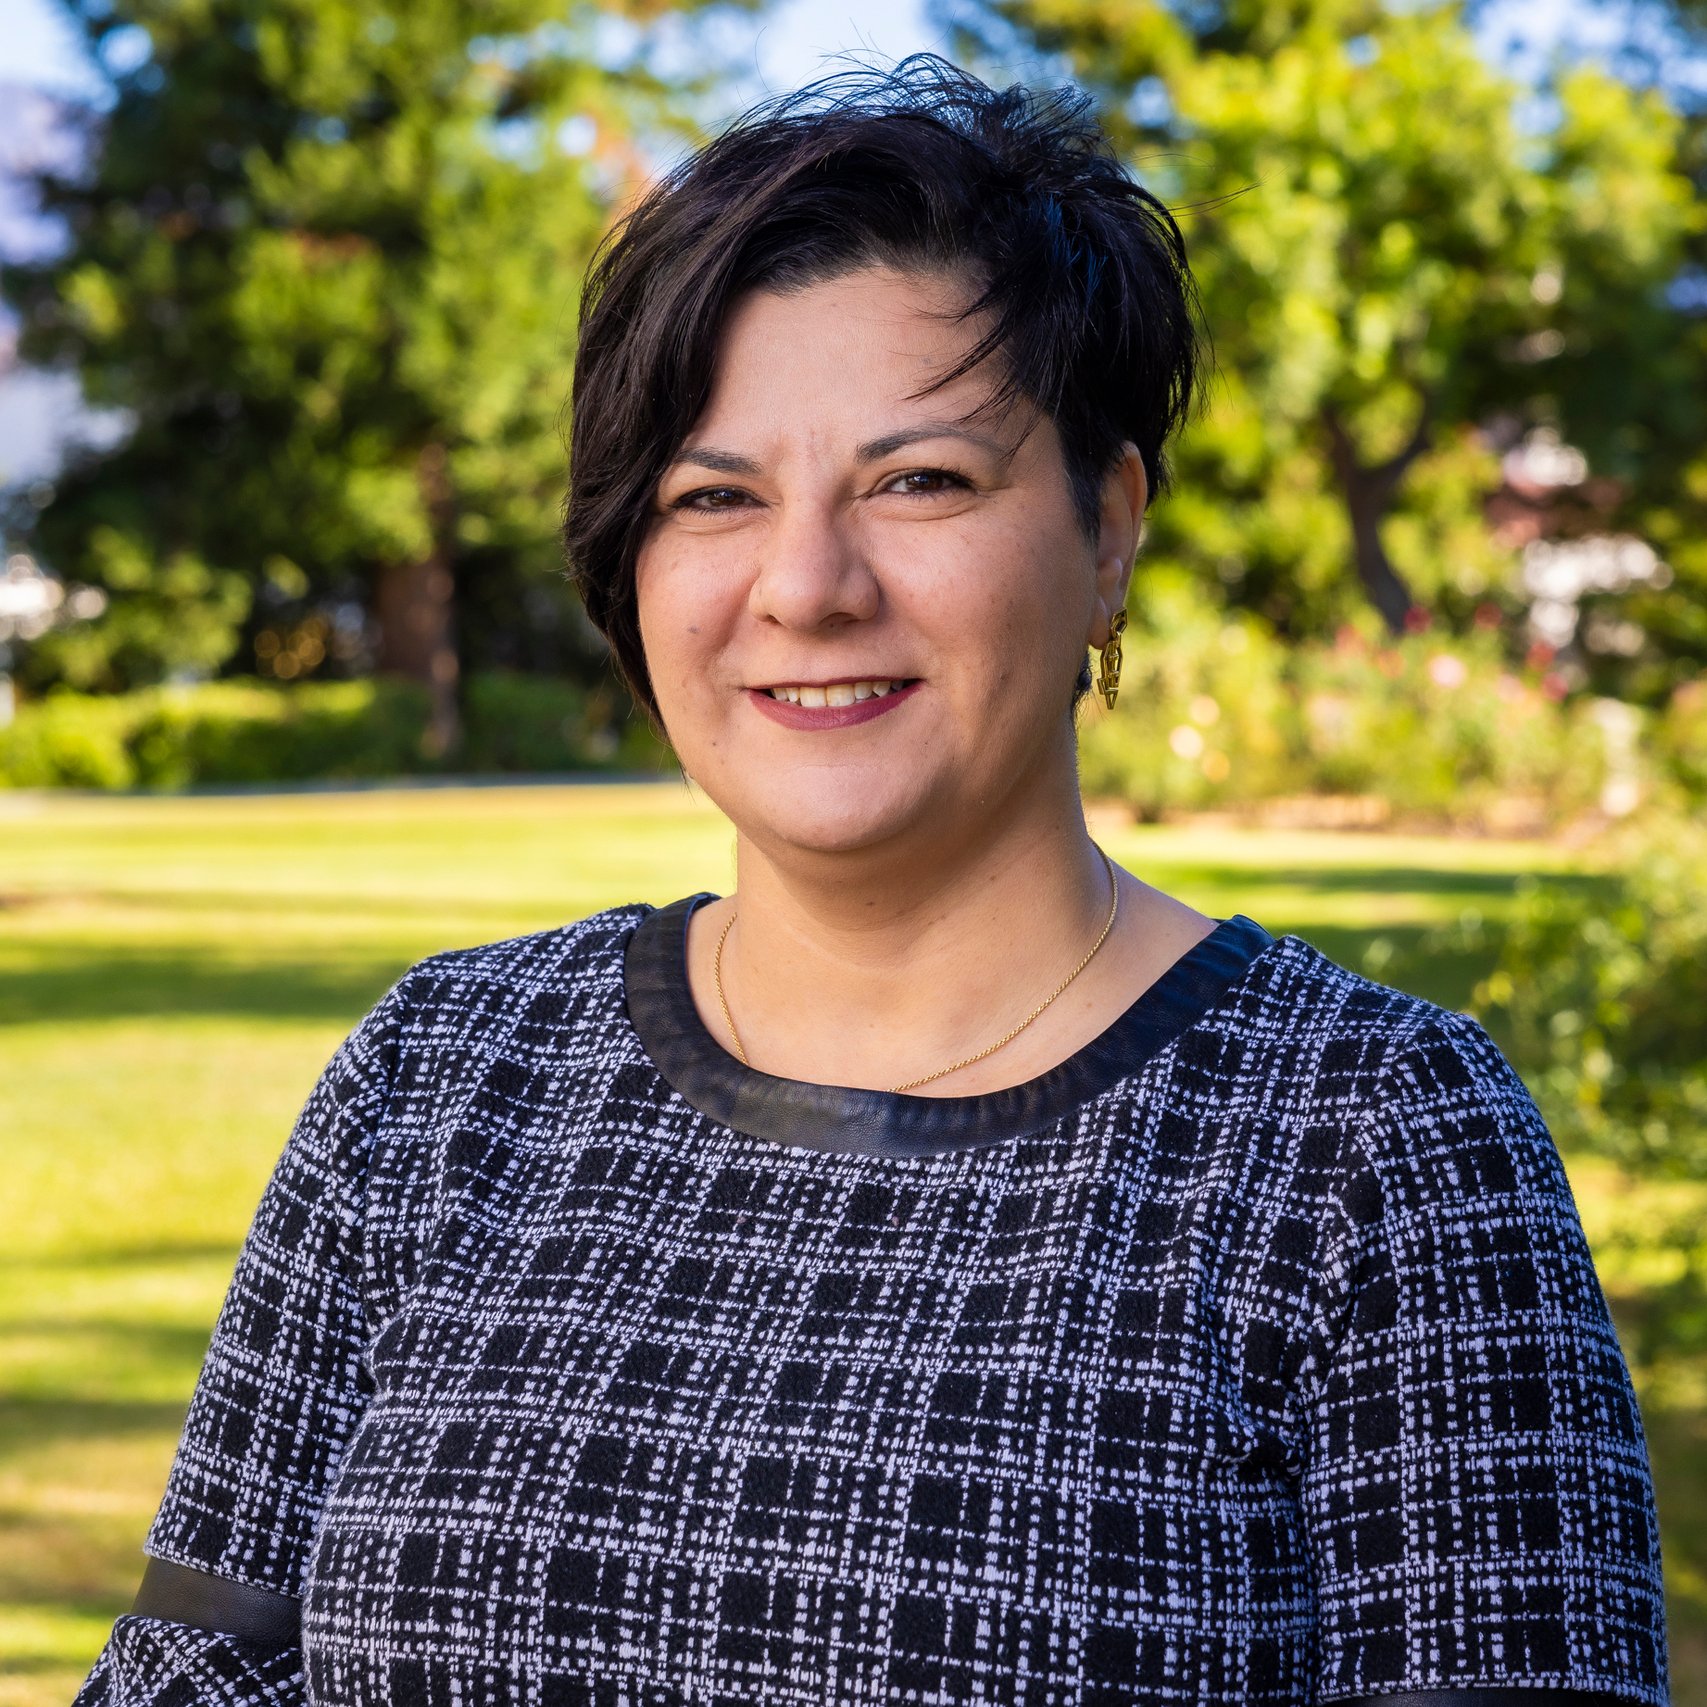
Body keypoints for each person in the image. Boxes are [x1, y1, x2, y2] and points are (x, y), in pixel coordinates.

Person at [75, 54, 1667, 1707]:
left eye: (919, 481)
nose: (807, 586)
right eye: (715, 498)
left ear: (1106, 530)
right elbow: (194, 1676)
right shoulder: (442, 1083)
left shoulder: (1377, 1150)